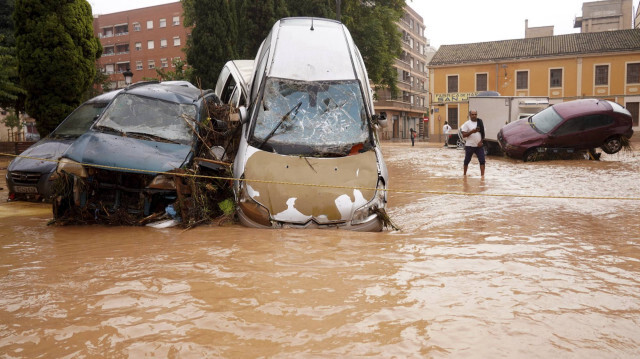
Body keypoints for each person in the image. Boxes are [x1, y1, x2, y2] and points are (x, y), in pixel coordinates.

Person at [460, 110, 485, 176]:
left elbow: (483, 134)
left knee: (482, 160)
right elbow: (464, 135)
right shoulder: (466, 124)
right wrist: (472, 132)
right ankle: (464, 174)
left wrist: (481, 141)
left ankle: (482, 177)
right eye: (473, 114)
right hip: (469, 146)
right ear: (470, 115)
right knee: (467, 161)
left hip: (479, 146)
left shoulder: (480, 122)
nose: (474, 116)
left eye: (475, 114)